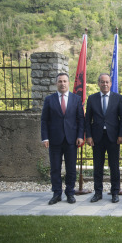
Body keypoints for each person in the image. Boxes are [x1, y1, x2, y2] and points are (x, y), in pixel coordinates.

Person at [41, 73, 85, 205]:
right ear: (56, 83)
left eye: (65, 81)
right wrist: (45, 138)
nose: (62, 83)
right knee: (55, 168)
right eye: (60, 81)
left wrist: (80, 136)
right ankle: (57, 193)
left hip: (71, 139)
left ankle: (70, 192)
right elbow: (44, 120)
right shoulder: (49, 99)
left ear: (68, 83)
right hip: (54, 139)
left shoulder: (76, 99)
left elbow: (80, 120)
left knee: (71, 168)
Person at [85, 73, 122, 203]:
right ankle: (98, 193)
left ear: (110, 83)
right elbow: (87, 120)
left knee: (114, 166)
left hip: (113, 137)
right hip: (97, 138)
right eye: (102, 82)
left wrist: (121, 135)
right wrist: (89, 136)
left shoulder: (118, 98)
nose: (105, 84)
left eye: (107, 82)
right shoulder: (92, 99)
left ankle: (115, 192)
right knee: (98, 167)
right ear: (99, 83)